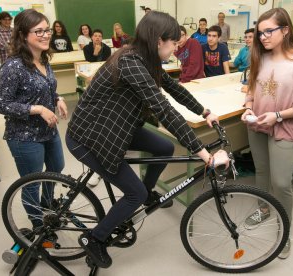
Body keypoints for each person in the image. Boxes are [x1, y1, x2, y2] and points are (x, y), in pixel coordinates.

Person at [66, 11, 229, 268]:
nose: (176, 48)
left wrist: (204, 111)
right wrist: (203, 154)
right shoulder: (131, 62)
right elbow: (163, 108)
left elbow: (173, 88)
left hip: (116, 128)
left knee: (163, 147)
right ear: (158, 41)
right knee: (134, 195)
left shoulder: (146, 58)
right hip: (90, 136)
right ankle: (95, 239)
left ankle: (148, 192)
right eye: (174, 43)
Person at [241, 8, 293, 259]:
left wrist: (277, 115)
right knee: (262, 172)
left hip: (284, 127)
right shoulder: (261, 56)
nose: (263, 37)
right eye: (260, 32)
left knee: (282, 182)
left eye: (268, 31)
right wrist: (248, 107)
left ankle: (284, 231)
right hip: (257, 124)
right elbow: (252, 88)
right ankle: (263, 209)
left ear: (285, 30)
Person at [0, 9, 68, 230]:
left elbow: (46, 87)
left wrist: (58, 98)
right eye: (39, 31)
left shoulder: (44, 59)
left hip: (48, 130)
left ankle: (47, 207)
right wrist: (37, 109)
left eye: (47, 30)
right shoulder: (13, 66)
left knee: (56, 168)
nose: (46, 35)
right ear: (23, 34)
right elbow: (1, 104)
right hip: (24, 136)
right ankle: (39, 225)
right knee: (31, 183)